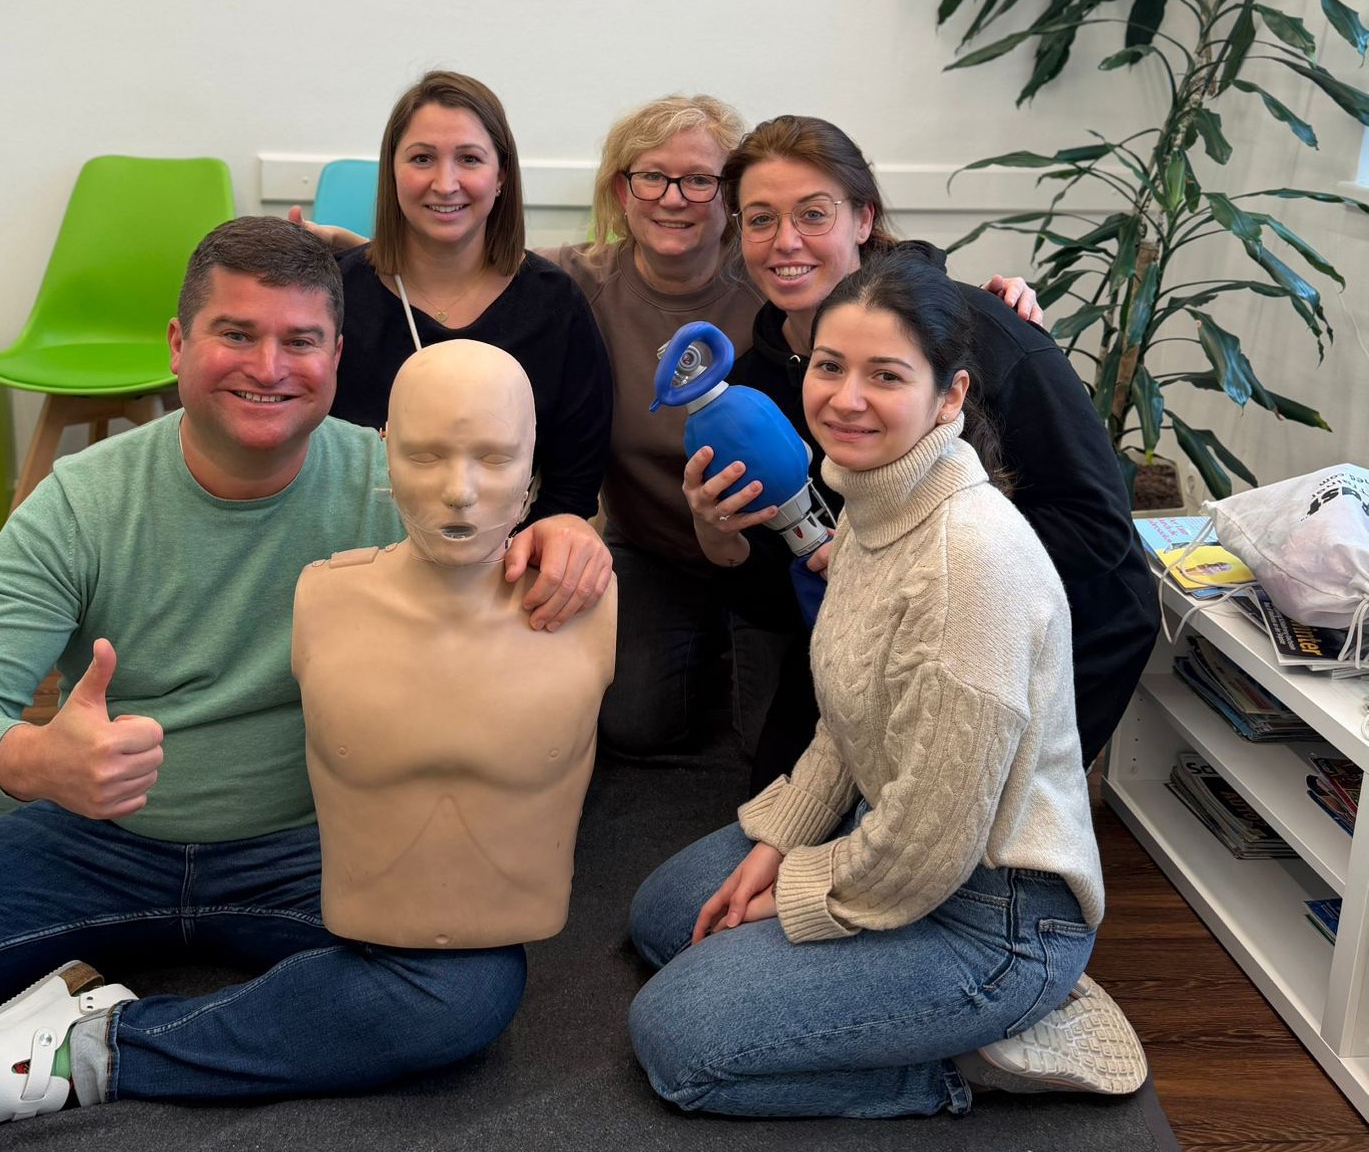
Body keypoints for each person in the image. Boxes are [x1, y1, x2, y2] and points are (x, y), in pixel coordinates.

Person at [0, 216, 610, 1152]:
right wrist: (34, 759)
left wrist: (567, 535)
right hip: (100, 836)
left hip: (308, 849)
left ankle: (88, 1050)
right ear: (177, 344)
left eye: (300, 340)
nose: (270, 366)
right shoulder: (82, 502)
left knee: (464, 988)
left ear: (338, 355)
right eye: (236, 334)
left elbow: (522, 537)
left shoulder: (411, 483)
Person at [297, 93, 1044, 764]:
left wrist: (981, 295)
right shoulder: (581, 279)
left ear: (731, 197)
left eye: (699, 180)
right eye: (648, 177)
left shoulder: (776, 278)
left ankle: (742, 653)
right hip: (651, 546)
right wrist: (342, 250)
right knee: (637, 723)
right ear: (621, 192)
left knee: (781, 737)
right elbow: (466, 260)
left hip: (779, 555)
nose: (672, 198)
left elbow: (874, 278)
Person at [628, 251, 1148, 1118]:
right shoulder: (872, 501)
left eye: (886, 375)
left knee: (679, 1042)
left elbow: (931, 845)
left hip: (996, 914)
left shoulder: (967, 563)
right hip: (899, 833)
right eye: (830, 367)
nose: (846, 398)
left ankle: (975, 1056)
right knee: (662, 919)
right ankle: (900, 1010)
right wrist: (778, 842)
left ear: (950, 396)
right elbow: (846, 715)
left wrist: (790, 895)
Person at [683, 115, 1160, 787]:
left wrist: (892, 564)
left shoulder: (987, 334)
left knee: (938, 840)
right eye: (760, 219)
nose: (785, 241)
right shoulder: (758, 386)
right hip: (873, 638)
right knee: (778, 810)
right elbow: (775, 599)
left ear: (863, 219)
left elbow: (1096, 529)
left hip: (1051, 629)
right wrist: (721, 538)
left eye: (813, 214)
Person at [295, 340, 617, 950]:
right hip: (359, 913)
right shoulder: (322, 598)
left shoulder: (589, 605)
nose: (459, 491)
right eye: (425, 455)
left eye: (495, 458)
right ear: (384, 448)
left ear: (532, 456)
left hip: (527, 914)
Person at [325, 69, 613, 526]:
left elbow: (574, 484)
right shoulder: (336, 295)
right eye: (421, 158)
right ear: (392, 172)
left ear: (501, 176)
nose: (445, 182)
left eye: (470, 159)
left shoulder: (554, 305)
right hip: (353, 560)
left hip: (504, 569)